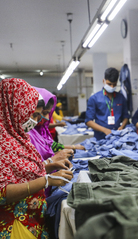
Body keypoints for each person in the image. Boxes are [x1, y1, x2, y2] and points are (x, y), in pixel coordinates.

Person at [0, 78, 73, 238]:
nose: (36, 120)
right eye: (32, 114)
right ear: (13, 109)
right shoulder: (2, 142)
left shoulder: (17, 137)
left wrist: (49, 166)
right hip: (14, 225)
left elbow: (22, 173)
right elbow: (2, 193)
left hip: (33, 220)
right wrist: (46, 180)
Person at [28, 87, 84, 163]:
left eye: (48, 113)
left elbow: (50, 145)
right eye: (44, 113)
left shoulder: (40, 131)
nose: (47, 118)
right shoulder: (29, 134)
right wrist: (52, 160)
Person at [85, 67, 130, 140]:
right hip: (100, 137)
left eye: (114, 84)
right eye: (109, 84)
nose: (112, 87)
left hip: (117, 137)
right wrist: (104, 130)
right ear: (104, 81)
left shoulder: (121, 98)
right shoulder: (94, 98)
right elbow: (88, 121)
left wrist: (122, 127)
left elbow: (126, 117)